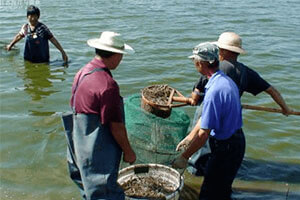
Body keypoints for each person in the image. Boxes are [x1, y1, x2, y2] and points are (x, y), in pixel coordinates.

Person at [186, 32, 292, 176]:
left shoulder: (216, 69)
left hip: (210, 113)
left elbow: (196, 93)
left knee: (200, 150)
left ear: (222, 51)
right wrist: (284, 108)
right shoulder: (245, 71)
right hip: (230, 117)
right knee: (220, 155)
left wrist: (193, 99)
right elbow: (271, 90)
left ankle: (196, 174)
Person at [64, 31, 136, 200]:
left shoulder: (82, 72)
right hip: (96, 149)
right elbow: (116, 126)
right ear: (117, 55)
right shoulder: (107, 85)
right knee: (106, 193)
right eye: (121, 55)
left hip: (77, 146)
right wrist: (129, 151)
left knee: (86, 186)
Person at [172, 42, 245, 200]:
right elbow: (207, 117)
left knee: (209, 194)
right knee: (222, 190)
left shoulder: (214, 91)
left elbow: (204, 134)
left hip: (226, 148)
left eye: (194, 61)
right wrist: (189, 137)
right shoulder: (224, 80)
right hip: (236, 141)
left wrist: (184, 157)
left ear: (199, 63)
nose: (194, 64)